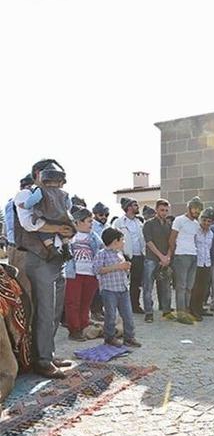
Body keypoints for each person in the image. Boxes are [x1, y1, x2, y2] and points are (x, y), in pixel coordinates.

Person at [15, 159, 76, 379]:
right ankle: (41, 361)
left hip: (58, 257)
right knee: (45, 311)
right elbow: (30, 224)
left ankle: (47, 354)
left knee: (55, 311)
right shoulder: (25, 194)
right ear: (37, 174)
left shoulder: (59, 196)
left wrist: (67, 231)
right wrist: (60, 227)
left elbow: (68, 222)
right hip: (40, 258)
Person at [92, 228, 141, 348]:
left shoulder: (120, 254)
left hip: (123, 289)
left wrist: (125, 268)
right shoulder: (102, 254)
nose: (124, 242)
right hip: (109, 290)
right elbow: (97, 270)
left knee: (128, 315)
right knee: (111, 316)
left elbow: (122, 270)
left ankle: (129, 337)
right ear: (115, 241)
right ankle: (109, 338)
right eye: (122, 240)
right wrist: (118, 267)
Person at [21, 160, 75, 262]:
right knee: (62, 230)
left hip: (47, 217)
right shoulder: (64, 193)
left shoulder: (41, 190)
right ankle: (65, 248)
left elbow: (30, 203)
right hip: (60, 218)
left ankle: (52, 248)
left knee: (44, 234)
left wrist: (25, 205)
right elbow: (68, 206)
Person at [63, 208, 103, 341]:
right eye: (89, 221)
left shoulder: (94, 236)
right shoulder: (69, 236)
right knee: (73, 302)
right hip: (74, 274)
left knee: (86, 302)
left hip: (91, 273)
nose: (91, 224)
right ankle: (74, 330)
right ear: (79, 222)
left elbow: (101, 250)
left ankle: (84, 325)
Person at [169, 197, 202, 322]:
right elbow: (172, 239)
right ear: (189, 208)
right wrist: (174, 254)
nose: (197, 211)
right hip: (181, 255)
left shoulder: (196, 224)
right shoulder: (179, 220)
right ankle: (181, 314)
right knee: (181, 287)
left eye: (199, 209)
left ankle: (186, 311)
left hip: (193, 255)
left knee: (189, 287)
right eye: (195, 208)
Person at [113, 197, 146, 314]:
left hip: (139, 255)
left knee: (136, 283)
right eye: (135, 205)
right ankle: (120, 306)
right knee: (122, 282)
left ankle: (135, 305)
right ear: (128, 207)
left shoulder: (139, 222)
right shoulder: (119, 222)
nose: (137, 207)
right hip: (125, 255)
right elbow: (114, 239)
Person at [142, 199, 172, 322]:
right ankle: (149, 312)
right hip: (151, 259)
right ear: (156, 210)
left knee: (166, 287)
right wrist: (161, 256)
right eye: (162, 210)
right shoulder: (148, 224)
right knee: (148, 287)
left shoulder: (169, 225)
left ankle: (166, 311)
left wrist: (167, 257)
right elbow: (149, 242)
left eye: (166, 210)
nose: (164, 212)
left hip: (165, 260)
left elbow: (172, 242)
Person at [189, 208, 214, 320]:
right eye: (204, 220)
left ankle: (200, 308)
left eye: (209, 221)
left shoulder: (211, 234)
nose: (206, 223)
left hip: (206, 263)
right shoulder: (195, 231)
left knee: (203, 288)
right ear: (200, 220)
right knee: (195, 288)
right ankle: (193, 310)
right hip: (197, 263)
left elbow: (209, 248)